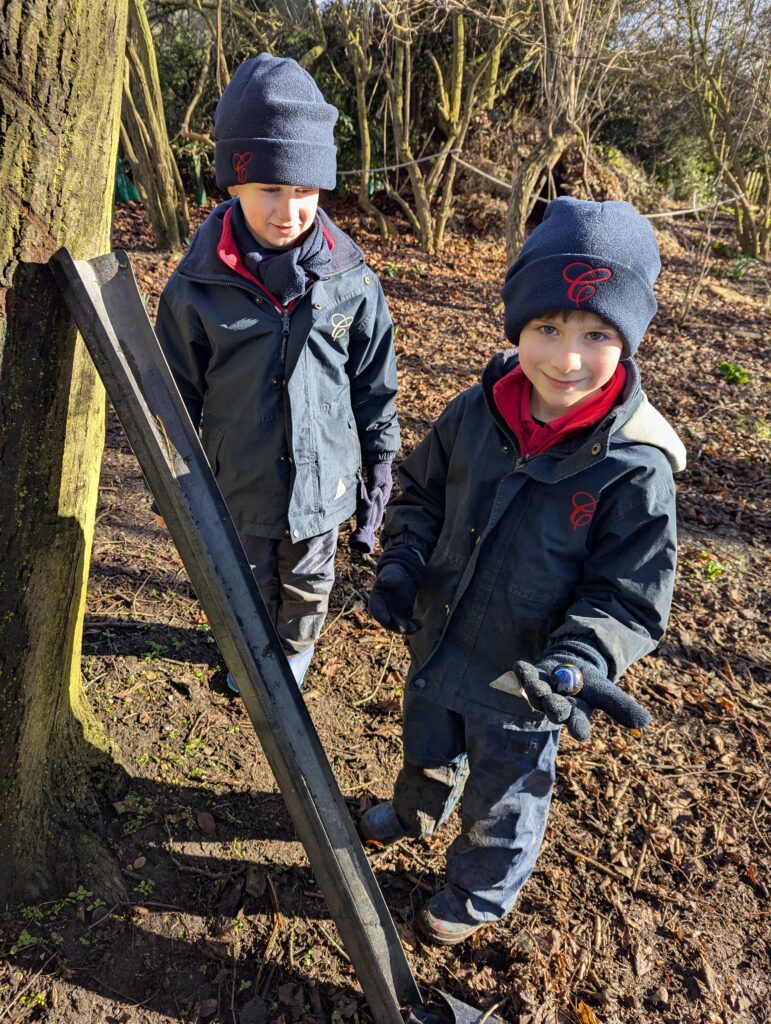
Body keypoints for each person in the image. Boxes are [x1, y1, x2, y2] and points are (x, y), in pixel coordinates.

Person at [360, 197, 686, 945]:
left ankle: (477, 892)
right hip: (438, 636)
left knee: (504, 794)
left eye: (595, 334)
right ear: (517, 326)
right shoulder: (475, 412)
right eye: (546, 328)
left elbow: (628, 598)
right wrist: (406, 560)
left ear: (628, 341)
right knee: (426, 740)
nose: (565, 359)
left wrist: (577, 663)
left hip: (526, 676)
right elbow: (418, 491)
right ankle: (415, 812)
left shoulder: (633, 468)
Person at [155, 54, 399, 689]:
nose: (290, 212)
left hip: (325, 482)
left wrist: (380, 462)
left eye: (305, 192)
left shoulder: (352, 280)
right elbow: (172, 392)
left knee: (309, 580)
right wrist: (170, 483)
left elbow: (374, 382)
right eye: (270, 189)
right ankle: (249, 651)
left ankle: (291, 659)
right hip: (239, 477)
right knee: (247, 576)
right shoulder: (196, 287)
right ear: (233, 183)